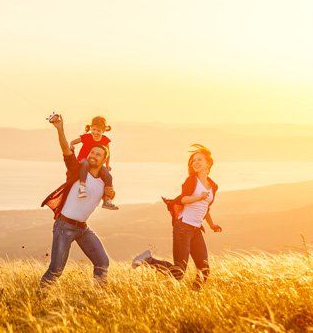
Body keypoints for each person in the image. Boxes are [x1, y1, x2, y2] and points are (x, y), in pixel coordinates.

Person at [132, 144, 222, 289]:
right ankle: (148, 260)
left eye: (199, 160)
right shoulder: (191, 181)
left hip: (196, 230)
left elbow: (206, 207)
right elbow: (183, 199)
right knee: (179, 272)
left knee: (204, 270)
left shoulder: (213, 186)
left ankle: (194, 297)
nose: (196, 163)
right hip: (183, 227)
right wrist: (198, 198)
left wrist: (212, 225)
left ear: (208, 163)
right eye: (193, 161)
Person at [39, 113, 112, 286]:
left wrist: (110, 196)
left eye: (98, 154)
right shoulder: (76, 171)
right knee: (56, 270)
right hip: (64, 227)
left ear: (104, 160)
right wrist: (60, 129)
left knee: (103, 263)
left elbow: (108, 193)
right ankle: (39, 298)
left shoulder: (104, 181)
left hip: (82, 229)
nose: (93, 155)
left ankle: (100, 297)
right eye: (92, 152)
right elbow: (66, 150)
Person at [69, 115, 117, 209]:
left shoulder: (105, 140)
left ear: (103, 131)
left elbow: (107, 154)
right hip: (83, 161)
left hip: (97, 164)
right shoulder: (86, 137)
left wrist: (107, 165)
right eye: (93, 129)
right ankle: (82, 188)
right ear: (91, 128)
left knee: (108, 176)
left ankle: (107, 200)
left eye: (98, 130)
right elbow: (73, 142)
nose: (95, 132)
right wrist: (71, 145)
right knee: (86, 163)